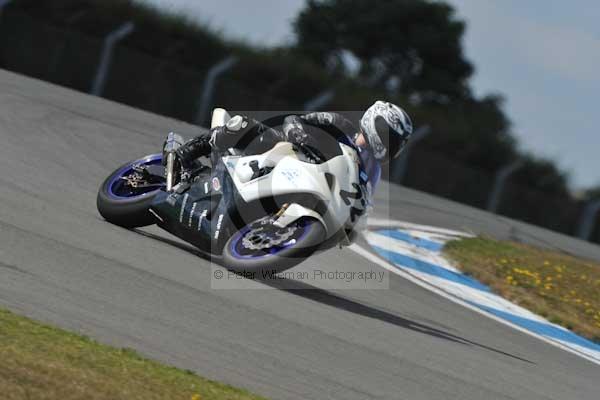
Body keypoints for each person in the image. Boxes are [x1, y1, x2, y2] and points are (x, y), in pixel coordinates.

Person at [173, 101, 413, 203]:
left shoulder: (373, 169)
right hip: (284, 155)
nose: (391, 146)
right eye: (390, 137)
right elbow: (294, 120)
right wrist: (299, 134)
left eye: (397, 143)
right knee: (242, 124)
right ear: (375, 121)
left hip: (307, 189)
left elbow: (362, 201)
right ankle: (186, 153)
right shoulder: (339, 124)